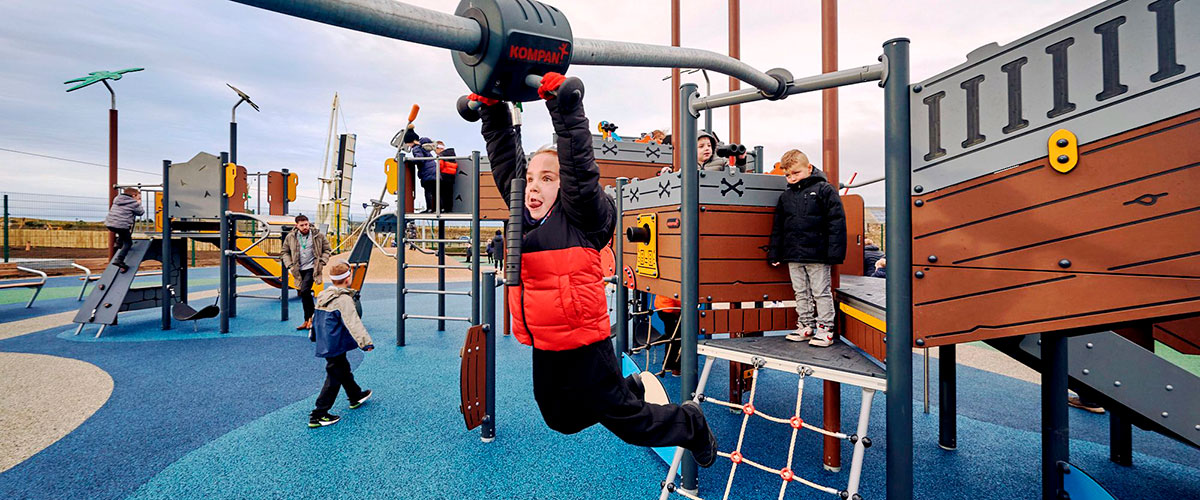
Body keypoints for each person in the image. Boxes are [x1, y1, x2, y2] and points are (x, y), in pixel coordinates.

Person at [468, 72, 718, 467]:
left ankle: (691, 424)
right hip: (546, 343)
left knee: (631, 425)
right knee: (560, 420)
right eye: (531, 179)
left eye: (547, 179)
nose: (533, 186)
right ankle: (627, 388)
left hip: (585, 342)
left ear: (563, 187)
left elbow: (580, 166)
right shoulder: (523, 218)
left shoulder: (581, 215)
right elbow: (504, 161)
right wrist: (493, 112)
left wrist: (564, 107)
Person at [768, 149, 847, 347]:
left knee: (821, 291)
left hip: (818, 254)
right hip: (793, 254)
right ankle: (805, 325)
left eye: (796, 173)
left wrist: (834, 253)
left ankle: (826, 328)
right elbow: (778, 227)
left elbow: (836, 222)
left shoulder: (824, 190)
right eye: (788, 175)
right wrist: (775, 252)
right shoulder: (785, 197)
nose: (792, 178)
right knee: (800, 291)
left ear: (809, 168)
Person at [308, 260, 374, 428]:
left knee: (342, 368)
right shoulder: (343, 299)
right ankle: (319, 414)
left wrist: (313, 335)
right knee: (334, 375)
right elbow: (353, 322)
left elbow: (315, 318)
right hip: (335, 343)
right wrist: (365, 343)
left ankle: (355, 395)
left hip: (327, 340)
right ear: (348, 279)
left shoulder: (324, 294)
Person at [282, 214, 331, 331]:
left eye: (306, 224)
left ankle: (312, 318)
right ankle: (307, 319)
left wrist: (322, 261)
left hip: (312, 268)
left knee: (304, 291)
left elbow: (327, 249)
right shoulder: (291, 237)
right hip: (298, 269)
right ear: (297, 226)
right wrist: (289, 265)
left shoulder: (318, 235)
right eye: (302, 225)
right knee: (305, 294)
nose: (305, 227)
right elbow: (285, 252)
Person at [104, 187, 144, 272]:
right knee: (128, 243)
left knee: (122, 233)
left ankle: (118, 243)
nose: (138, 199)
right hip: (121, 225)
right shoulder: (133, 203)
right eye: (138, 197)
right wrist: (139, 203)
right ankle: (119, 259)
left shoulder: (117, 199)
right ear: (133, 195)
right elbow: (140, 212)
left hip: (110, 224)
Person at [403, 128, 439, 213]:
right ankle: (438, 209)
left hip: (427, 172)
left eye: (408, 143)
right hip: (435, 170)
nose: (408, 146)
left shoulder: (416, 148)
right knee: (435, 192)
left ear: (411, 141)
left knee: (428, 191)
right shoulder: (423, 146)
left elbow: (420, 159)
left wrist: (409, 160)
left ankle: (429, 209)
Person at [435, 142, 458, 213]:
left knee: (442, 194)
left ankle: (442, 208)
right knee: (449, 194)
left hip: (444, 176)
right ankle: (449, 209)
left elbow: (440, 166)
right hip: (451, 176)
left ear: (439, 149)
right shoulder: (452, 156)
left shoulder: (441, 156)